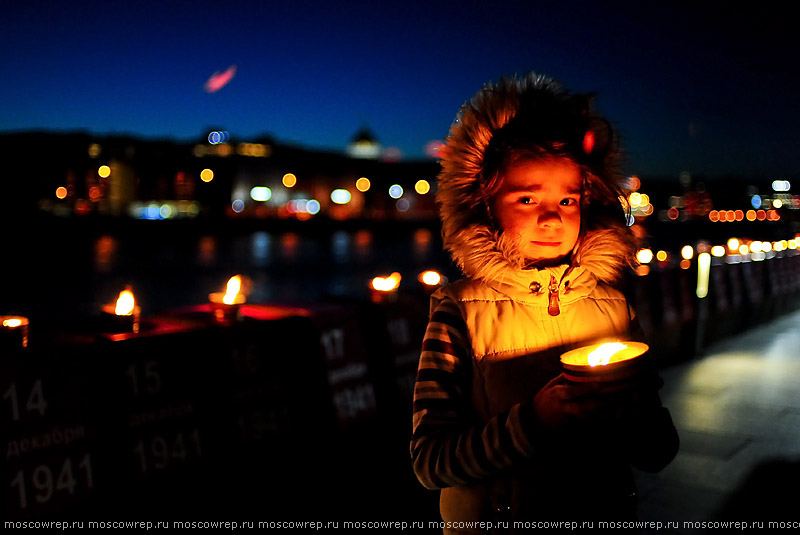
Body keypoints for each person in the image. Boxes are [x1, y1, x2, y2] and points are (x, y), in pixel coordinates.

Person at [410, 72, 679, 532]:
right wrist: (533, 422)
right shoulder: (460, 312)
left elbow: (658, 451)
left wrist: (632, 411)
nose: (553, 216)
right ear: (484, 204)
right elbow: (431, 463)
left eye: (569, 199)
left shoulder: (613, 306)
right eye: (528, 198)